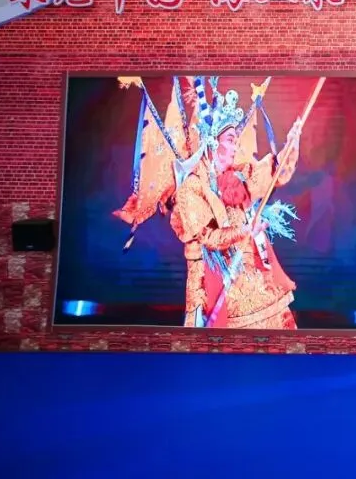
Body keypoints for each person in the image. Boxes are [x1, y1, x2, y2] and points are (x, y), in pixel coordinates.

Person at [115, 78, 306, 329]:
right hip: (213, 281)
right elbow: (209, 238)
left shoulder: (238, 175)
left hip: (251, 275)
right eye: (230, 139)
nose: (236, 145)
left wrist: (291, 145)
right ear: (213, 142)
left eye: (235, 139)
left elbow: (272, 174)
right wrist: (245, 231)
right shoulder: (191, 188)